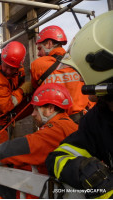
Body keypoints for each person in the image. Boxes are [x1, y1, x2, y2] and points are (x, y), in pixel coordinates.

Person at [45, 11, 113, 199]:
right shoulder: (97, 120)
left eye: (82, 73)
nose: (80, 80)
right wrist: (87, 172)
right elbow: (56, 158)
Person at [0, 83, 78, 198]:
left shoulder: (54, 131)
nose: (33, 114)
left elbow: (18, 148)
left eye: (36, 109)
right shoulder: (70, 126)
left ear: (51, 108)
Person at [30, 25, 94, 123]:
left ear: (48, 44)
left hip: (57, 125)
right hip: (85, 121)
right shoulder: (77, 60)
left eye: (39, 49)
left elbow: (35, 88)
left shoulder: (37, 65)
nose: (38, 54)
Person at [0, 41, 33, 144]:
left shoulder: (19, 70)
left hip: (9, 114)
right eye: (6, 66)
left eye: (12, 68)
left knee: (36, 101)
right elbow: (6, 106)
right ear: (2, 60)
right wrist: (22, 90)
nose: (9, 71)